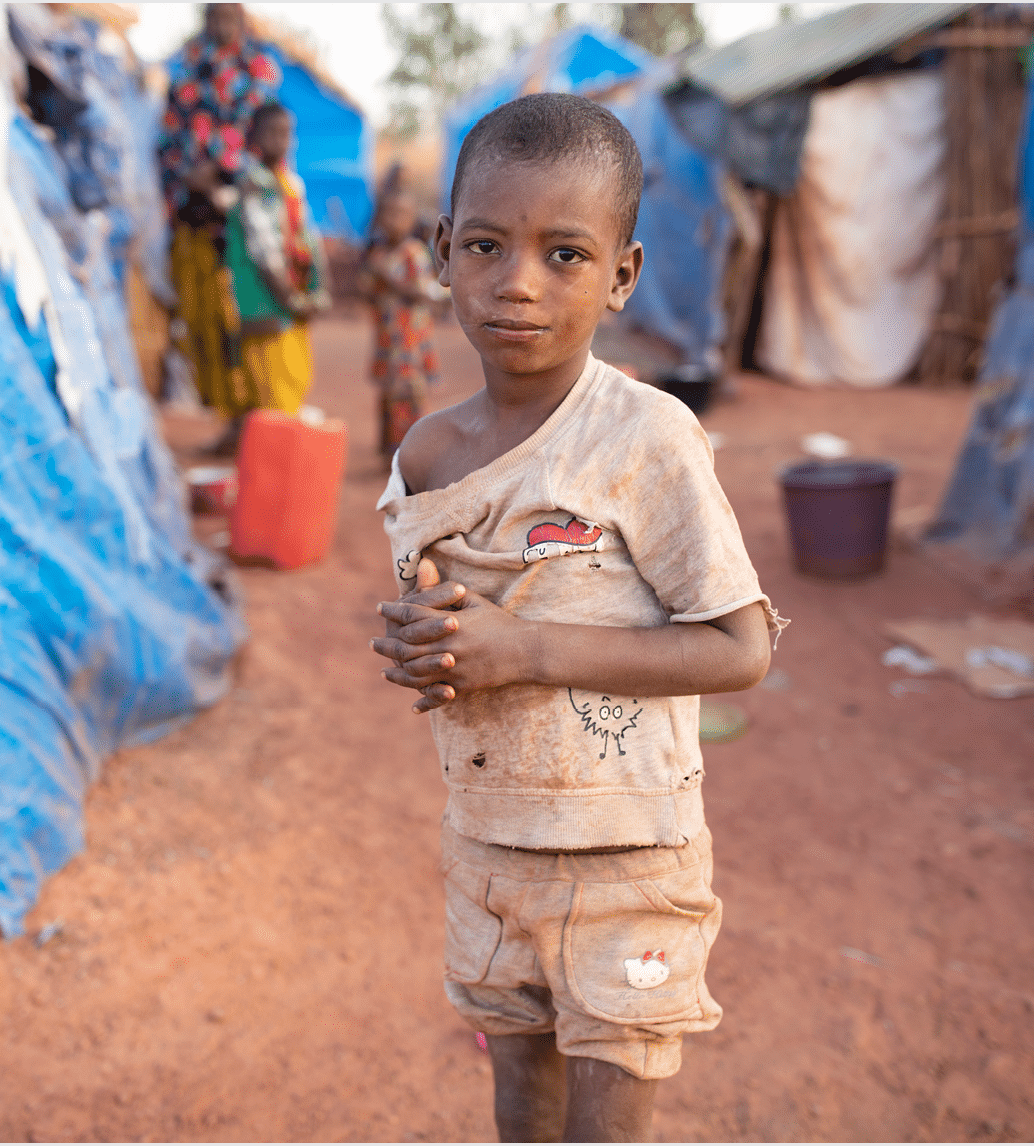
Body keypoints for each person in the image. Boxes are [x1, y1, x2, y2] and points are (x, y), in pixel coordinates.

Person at [368, 93, 785, 1142]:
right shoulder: (425, 457)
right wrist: (422, 647)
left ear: (620, 276)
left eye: (563, 254)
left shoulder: (645, 438)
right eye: (484, 244)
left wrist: (525, 650)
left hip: (627, 854)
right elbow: (451, 629)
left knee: (603, 1125)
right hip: (490, 844)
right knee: (519, 1096)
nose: (515, 281)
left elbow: (739, 649)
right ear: (440, 253)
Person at [156, 3, 280, 438]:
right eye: (213, 17)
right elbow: (169, 136)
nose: (220, 26)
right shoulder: (188, 70)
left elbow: (267, 135)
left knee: (242, 313)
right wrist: (188, 175)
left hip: (240, 216)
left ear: (242, 22)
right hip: (194, 212)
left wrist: (222, 170)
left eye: (228, 17)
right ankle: (231, 420)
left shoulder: (259, 71)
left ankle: (254, 418)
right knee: (205, 318)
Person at [224, 102, 330, 415]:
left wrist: (316, 289)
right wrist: (288, 298)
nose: (279, 140)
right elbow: (263, 250)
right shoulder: (252, 185)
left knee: (295, 380)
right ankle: (276, 460)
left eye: (285, 133)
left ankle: (279, 457)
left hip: (293, 301)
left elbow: (308, 240)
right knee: (274, 391)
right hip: (268, 302)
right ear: (253, 137)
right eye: (270, 133)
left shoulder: (292, 184)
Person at [362, 185, 445, 461]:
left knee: (409, 392)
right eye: (388, 214)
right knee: (388, 391)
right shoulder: (379, 254)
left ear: (412, 220)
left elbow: (423, 292)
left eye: (401, 214)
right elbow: (368, 293)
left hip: (410, 339)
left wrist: (391, 279)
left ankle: (409, 449)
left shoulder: (414, 253)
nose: (393, 221)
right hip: (387, 337)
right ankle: (388, 446)